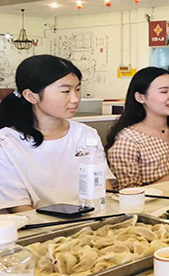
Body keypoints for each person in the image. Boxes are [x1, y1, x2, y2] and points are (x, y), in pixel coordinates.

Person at [0, 55, 114, 213]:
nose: (75, 99)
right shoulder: (6, 143)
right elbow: (20, 208)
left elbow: (105, 192)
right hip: (39, 226)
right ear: (31, 96)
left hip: (93, 221)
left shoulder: (86, 134)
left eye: (78, 89)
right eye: (65, 91)